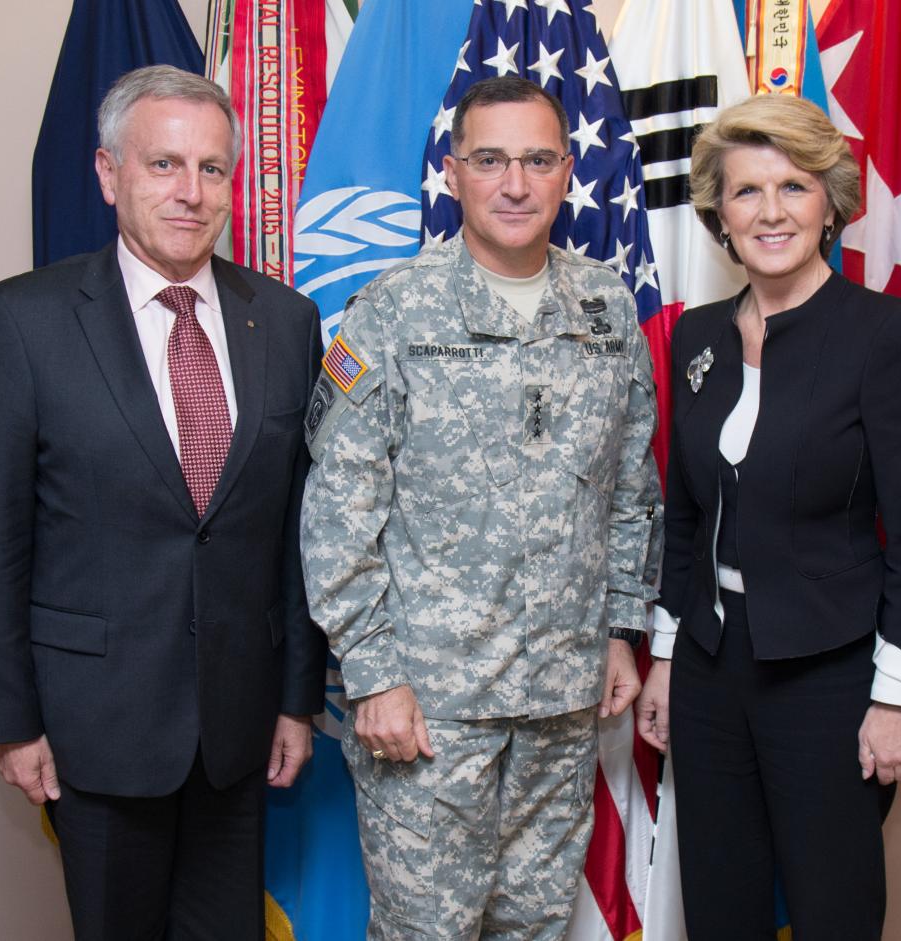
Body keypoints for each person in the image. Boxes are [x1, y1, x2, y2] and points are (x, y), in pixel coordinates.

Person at [0, 65, 328, 940]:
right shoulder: (24, 321)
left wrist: (294, 699)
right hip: (95, 725)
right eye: (163, 165)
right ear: (107, 173)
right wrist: (11, 723)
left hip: (238, 731)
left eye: (212, 169)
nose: (190, 193)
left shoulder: (284, 321)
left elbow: (298, 531)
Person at [300, 76, 661, 940]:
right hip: (428, 713)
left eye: (538, 160)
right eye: (490, 159)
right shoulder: (391, 312)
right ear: (453, 171)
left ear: (568, 170)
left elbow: (629, 488)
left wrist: (619, 627)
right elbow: (338, 507)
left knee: (536, 926)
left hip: (562, 702)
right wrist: (374, 673)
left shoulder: (605, 307)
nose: (514, 183)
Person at [634, 94, 901, 939]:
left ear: (831, 203)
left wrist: (896, 699)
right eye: (747, 191)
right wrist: (670, 656)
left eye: (794, 186)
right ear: (721, 212)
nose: (771, 211)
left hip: (828, 674)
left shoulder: (883, 333)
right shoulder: (699, 337)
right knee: (720, 909)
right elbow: (685, 513)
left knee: (834, 911)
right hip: (710, 667)